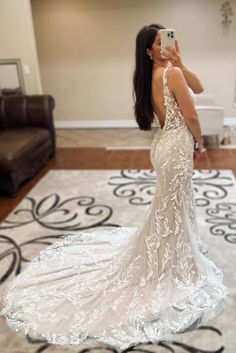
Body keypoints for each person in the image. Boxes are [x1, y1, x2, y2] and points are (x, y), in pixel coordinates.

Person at [0, 24, 228, 350]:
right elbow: (192, 115)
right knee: (173, 205)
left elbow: (200, 86)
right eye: (160, 41)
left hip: (164, 144)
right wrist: (199, 142)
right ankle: (174, 259)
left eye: (169, 38)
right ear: (150, 50)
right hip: (177, 146)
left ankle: (180, 250)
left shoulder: (161, 73)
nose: (167, 43)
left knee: (172, 205)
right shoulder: (171, 75)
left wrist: (180, 59)